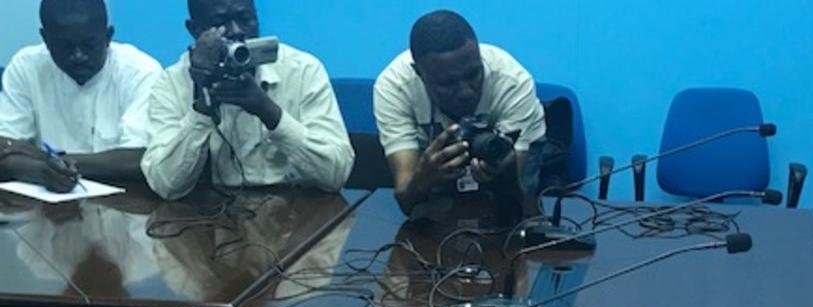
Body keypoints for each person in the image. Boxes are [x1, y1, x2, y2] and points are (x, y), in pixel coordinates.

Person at [140, 0, 353, 199]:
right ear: (194, 30)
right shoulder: (172, 83)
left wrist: (268, 111)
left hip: (300, 208)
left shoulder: (303, 70)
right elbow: (166, 185)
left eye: (245, 19)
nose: (236, 31)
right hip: (213, 212)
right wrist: (202, 107)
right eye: (220, 23)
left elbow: (337, 174)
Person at [374, 10, 546, 215]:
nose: (465, 92)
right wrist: (421, 182)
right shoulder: (394, 87)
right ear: (419, 73)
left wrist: (505, 173)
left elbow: (516, 194)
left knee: (512, 215)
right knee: (429, 216)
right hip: (428, 150)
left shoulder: (513, 82)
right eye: (448, 83)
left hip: (518, 151)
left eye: (474, 74)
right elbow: (406, 200)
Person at [0, 0, 161, 190]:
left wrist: (49, 160)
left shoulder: (141, 73)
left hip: (124, 200)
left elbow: (140, 160)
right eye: (65, 46)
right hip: (46, 202)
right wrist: (42, 171)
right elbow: (4, 150)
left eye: (89, 45)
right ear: (46, 39)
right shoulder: (26, 67)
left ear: (108, 36)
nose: (78, 56)